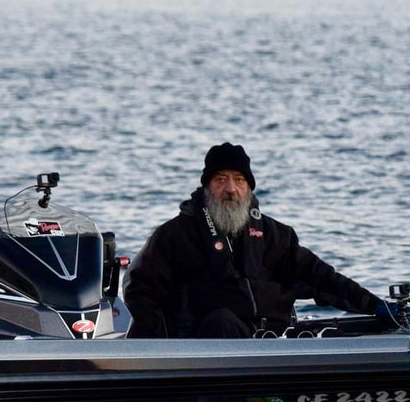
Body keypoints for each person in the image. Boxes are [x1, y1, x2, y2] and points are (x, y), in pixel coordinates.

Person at [123, 142, 387, 338]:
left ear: (249, 188)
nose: (230, 189)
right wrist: (167, 344)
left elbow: (320, 277)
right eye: (221, 179)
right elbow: (139, 290)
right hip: (203, 350)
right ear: (206, 187)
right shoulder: (175, 235)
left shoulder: (275, 235)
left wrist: (374, 304)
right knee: (222, 321)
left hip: (271, 343)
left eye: (239, 180)